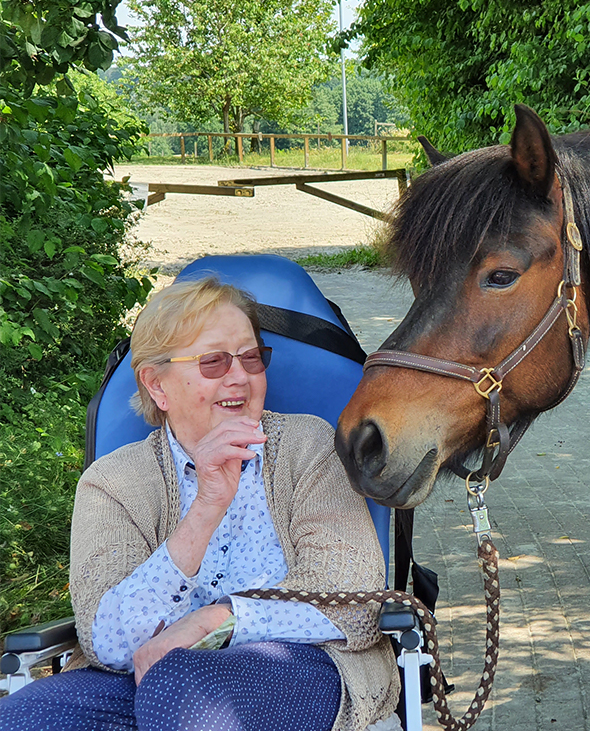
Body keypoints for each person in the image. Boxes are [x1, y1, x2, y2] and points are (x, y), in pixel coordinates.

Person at [0, 277, 399, 731]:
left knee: (184, 695)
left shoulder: (310, 447)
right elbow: (110, 643)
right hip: (138, 681)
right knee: (19, 718)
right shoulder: (112, 483)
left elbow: (351, 599)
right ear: (157, 385)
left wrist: (214, 620)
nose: (240, 376)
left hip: (300, 666)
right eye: (213, 362)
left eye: (251, 358)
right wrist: (206, 507)